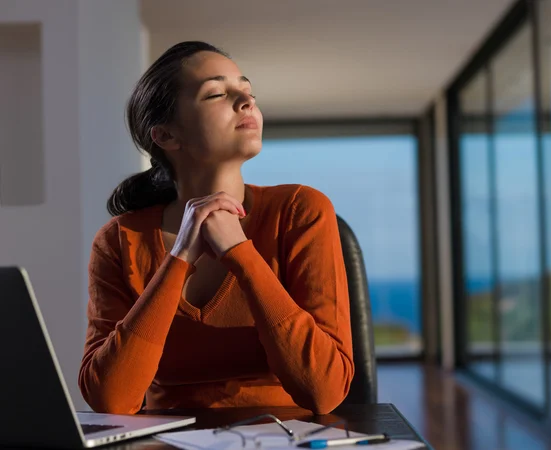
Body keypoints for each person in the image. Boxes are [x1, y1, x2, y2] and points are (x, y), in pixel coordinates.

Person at [78, 42, 354, 415]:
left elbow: (325, 391)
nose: (247, 101)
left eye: (247, 90)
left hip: (286, 438)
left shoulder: (300, 210)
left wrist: (240, 253)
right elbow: (110, 399)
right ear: (166, 136)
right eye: (217, 93)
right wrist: (178, 259)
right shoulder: (118, 241)